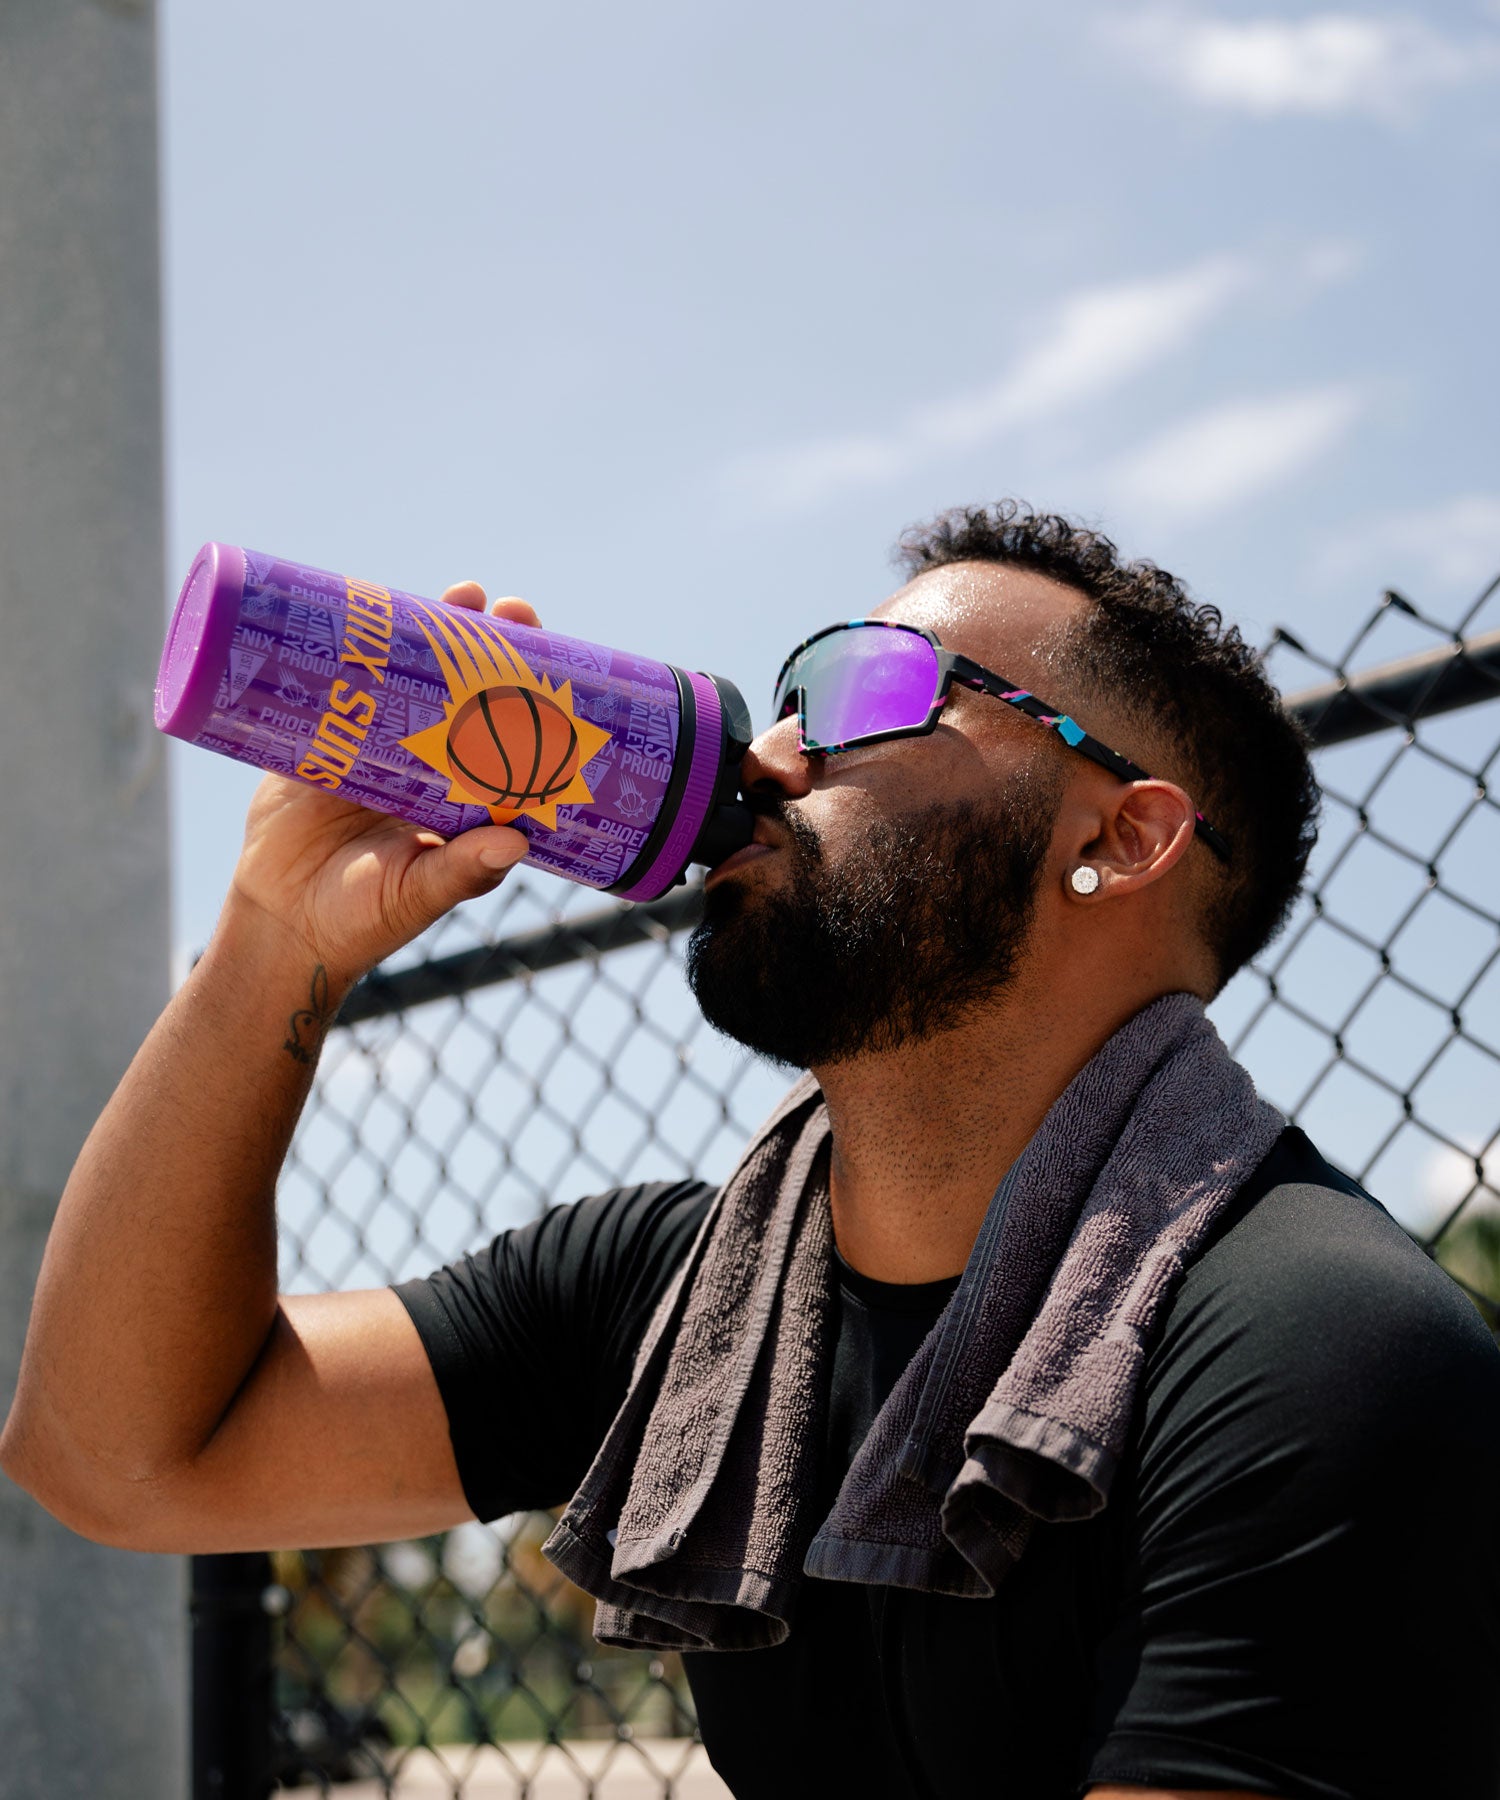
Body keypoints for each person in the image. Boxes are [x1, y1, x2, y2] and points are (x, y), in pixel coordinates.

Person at [3, 502, 1497, 1800]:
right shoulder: (689, 1310)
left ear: (1123, 837)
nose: (775, 752)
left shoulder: (1312, 1355)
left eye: (871, 686)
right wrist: (275, 942)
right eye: (793, 691)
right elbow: (116, 1457)